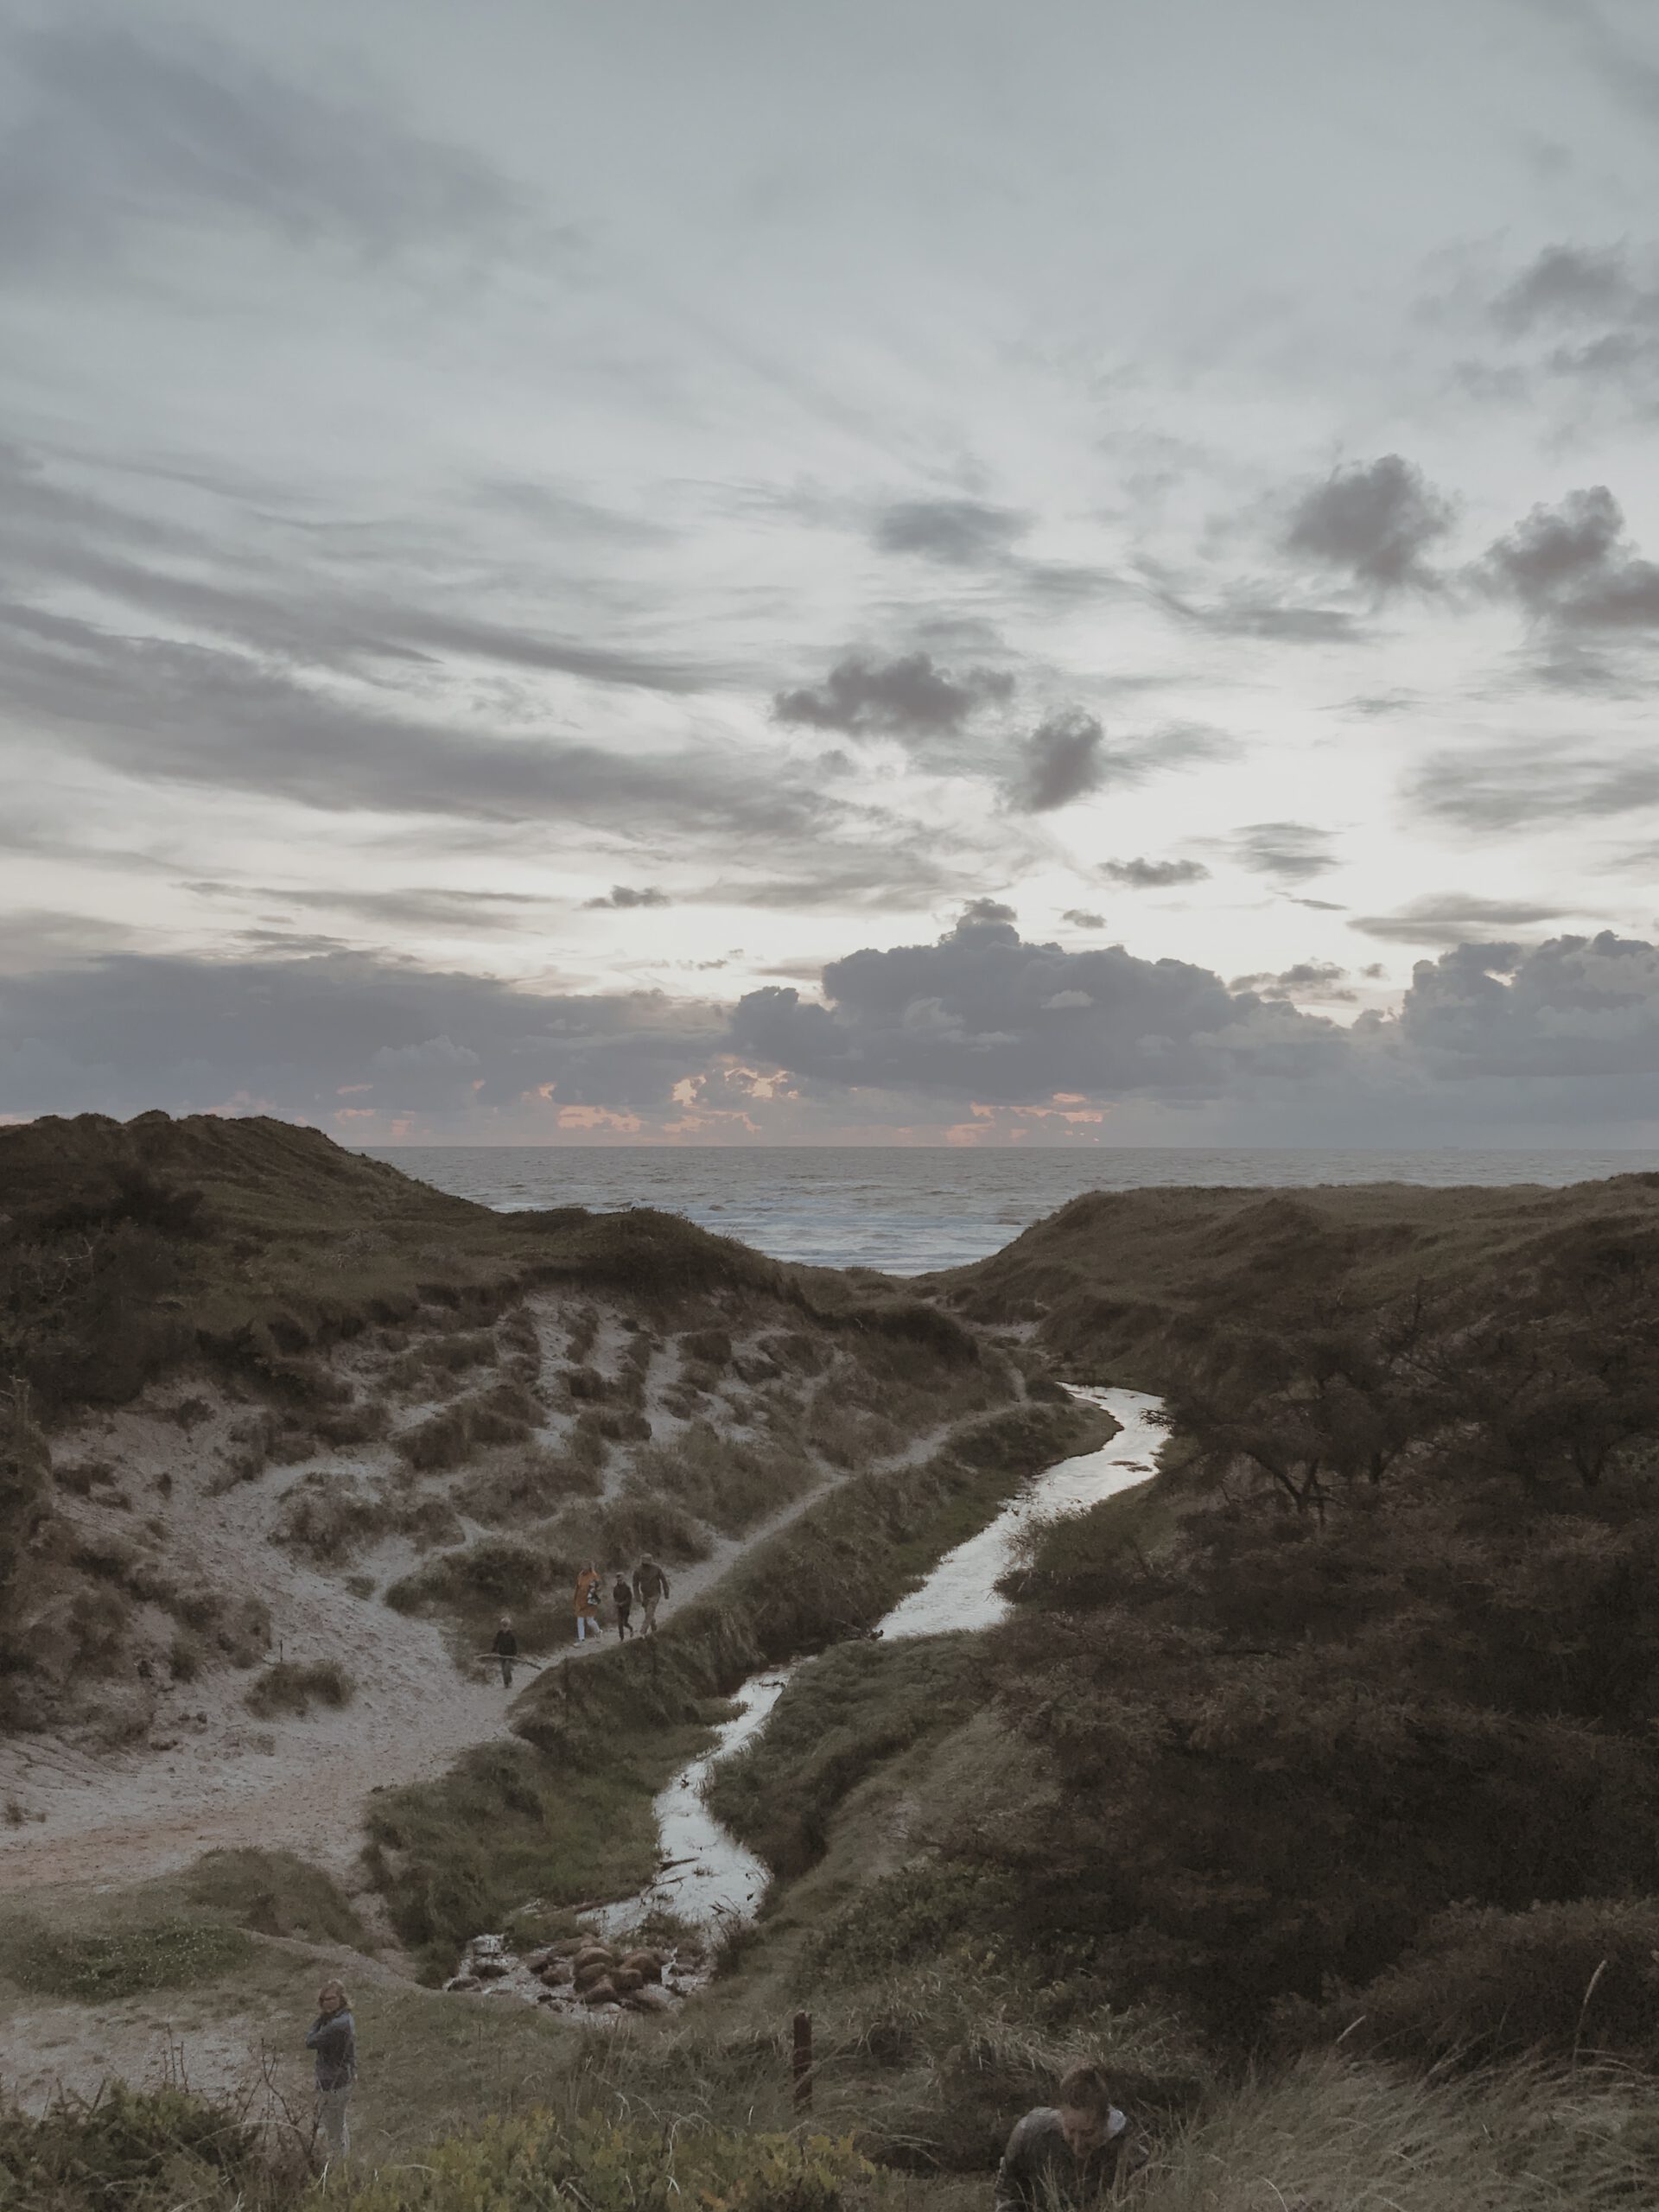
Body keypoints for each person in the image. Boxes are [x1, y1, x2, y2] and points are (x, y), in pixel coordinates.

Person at [994, 2063, 1142, 2212]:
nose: (1078, 2144)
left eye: (1088, 2133)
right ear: (1061, 2115)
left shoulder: (1130, 2156)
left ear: (1106, 2121)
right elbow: (1006, 2194)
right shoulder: (1029, 2134)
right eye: (1071, 2131)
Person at [304, 1979, 356, 2170]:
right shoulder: (345, 2018)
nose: (327, 2002)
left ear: (341, 1998)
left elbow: (309, 2041)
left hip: (333, 2083)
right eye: (324, 1999)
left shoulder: (337, 2024)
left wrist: (320, 2018)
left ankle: (339, 2171)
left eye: (331, 1998)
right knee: (340, 2126)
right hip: (342, 2079)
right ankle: (345, 2164)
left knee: (333, 2132)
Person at [633, 1555, 671, 1634]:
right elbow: (635, 1585)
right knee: (648, 1612)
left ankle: (643, 1631)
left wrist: (666, 1593)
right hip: (645, 1595)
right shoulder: (638, 1571)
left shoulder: (656, 1568)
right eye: (644, 1564)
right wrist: (638, 1598)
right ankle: (653, 1625)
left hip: (655, 1593)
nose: (646, 1566)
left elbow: (664, 1580)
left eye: (648, 1564)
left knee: (649, 1612)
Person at [574, 1562, 601, 1643]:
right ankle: (581, 1639)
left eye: (585, 1566)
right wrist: (575, 1598)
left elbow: (599, 1587)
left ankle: (598, 1632)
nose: (583, 1567)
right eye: (582, 1565)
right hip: (580, 1600)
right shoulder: (580, 1575)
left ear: (589, 1567)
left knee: (590, 1621)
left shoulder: (594, 1575)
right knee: (580, 1620)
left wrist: (594, 1592)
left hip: (590, 1601)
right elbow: (577, 1587)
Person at [492, 1614, 518, 1688]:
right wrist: (494, 1650)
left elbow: (514, 1645)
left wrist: (514, 1654)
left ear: (508, 1626)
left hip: (509, 1655)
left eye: (505, 1626)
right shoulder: (499, 1634)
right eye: (503, 1626)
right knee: (503, 1670)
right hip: (501, 1654)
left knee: (507, 1668)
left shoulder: (511, 1635)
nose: (504, 1628)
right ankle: (505, 1683)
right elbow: (496, 1642)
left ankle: (509, 1681)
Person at [612, 1573, 634, 1639]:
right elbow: (615, 1597)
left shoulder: (627, 1588)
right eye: (618, 1580)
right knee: (619, 1624)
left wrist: (623, 1603)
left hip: (626, 1608)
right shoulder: (615, 1588)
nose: (619, 1581)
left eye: (621, 1580)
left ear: (623, 1579)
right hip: (619, 1608)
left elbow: (629, 1598)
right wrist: (616, 1602)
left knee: (625, 1623)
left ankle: (631, 1628)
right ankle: (622, 1638)